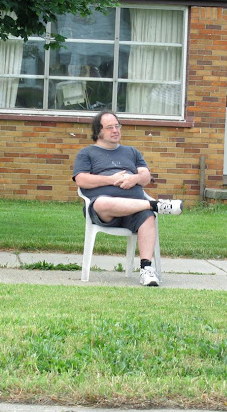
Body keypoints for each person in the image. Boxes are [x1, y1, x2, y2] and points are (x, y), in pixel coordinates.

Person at [72, 111, 183, 286]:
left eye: (118, 126)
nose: (116, 130)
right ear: (98, 131)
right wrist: (110, 179)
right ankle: (156, 205)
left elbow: (145, 176)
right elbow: (81, 179)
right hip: (105, 213)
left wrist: (134, 179)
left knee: (148, 216)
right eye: (110, 127)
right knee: (102, 202)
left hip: (134, 213)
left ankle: (146, 270)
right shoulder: (87, 154)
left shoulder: (132, 152)